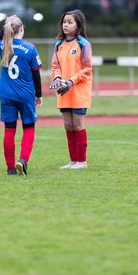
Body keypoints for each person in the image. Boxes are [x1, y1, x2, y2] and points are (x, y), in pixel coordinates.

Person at [0, 15, 43, 176]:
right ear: (21, 28)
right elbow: (36, 74)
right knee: (29, 127)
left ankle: (10, 168)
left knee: (9, 130)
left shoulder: (3, 45)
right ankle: (22, 160)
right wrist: (39, 94)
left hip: (7, 95)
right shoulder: (30, 48)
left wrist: (5, 28)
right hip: (25, 94)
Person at [49, 10, 92, 169]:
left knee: (78, 125)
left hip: (78, 91)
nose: (65, 25)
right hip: (63, 90)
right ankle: (73, 160)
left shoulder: (83, 44)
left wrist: (70, 82)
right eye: (64, 22)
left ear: (78, 25)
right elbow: (55, 66)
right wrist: (58, 79)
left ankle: (82, 161)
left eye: (70, 22)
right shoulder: (58, 44)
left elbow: (86, 69)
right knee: (68, 125)